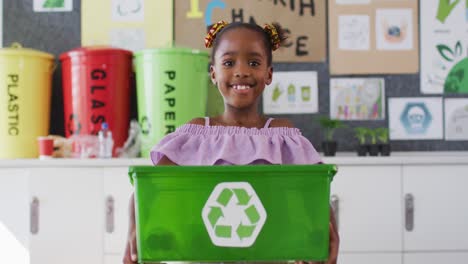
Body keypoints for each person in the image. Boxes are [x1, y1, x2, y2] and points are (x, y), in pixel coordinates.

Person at [123, 20, 339, 264]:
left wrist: (322, 239)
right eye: (228, 62)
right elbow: (149, 190)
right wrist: (134, 233)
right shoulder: (196, 136)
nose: (241, 71)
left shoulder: (283, 137)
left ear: (269, 74)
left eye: (254, 63)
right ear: (213, 73)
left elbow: (317, 194)